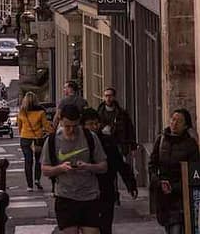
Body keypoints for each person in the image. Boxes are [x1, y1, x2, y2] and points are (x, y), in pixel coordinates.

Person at [41, 103, 107, 234]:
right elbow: (45, 169)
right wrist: (60, 168)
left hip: (89, 196)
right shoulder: (52, 141)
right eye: (67, 127)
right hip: (65, 197)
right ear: (60, 121)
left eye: (75, 126)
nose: (71, 130)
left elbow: (103, 166)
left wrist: (88, 166)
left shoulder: (90, 137)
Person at [82, 108, 137, 234]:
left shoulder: (107, 141)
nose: (95, 127)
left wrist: (130, 183)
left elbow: (120, 164)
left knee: (105, 226)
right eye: (91, 124)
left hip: (106, 189)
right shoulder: (79, 143)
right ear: (83, 125)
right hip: (85, 192)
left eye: (96, 123)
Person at [149, 108, 200, 234]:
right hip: (163, 196)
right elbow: (152, 165)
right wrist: (159, 182)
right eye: (173, 119)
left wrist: (175, 187)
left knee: (176, 228)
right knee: (168, 227)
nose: (174, 123)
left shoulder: (190, 144)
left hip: (181, 197)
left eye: (179, 121)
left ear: (186, 126)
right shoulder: (161, 140)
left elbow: (194, 173)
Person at [17, 91, 52, 191]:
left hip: (25, 138)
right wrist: (52, 131)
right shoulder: (41, 112)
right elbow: (46, 126)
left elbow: (19, 126)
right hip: (37, 139)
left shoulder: (22, 112)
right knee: (38, 161)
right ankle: (37, 179)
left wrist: (23, 134)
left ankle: (29, 185)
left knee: (28, 161)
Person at [96, 88, 137, 158]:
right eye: (106, 96)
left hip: (119, 146)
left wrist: (133, 147)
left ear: (114, 97)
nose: (108, 98)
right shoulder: (98, 114)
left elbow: (130, 129)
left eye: (110, 96)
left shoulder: (122, 113)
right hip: (104, 146)